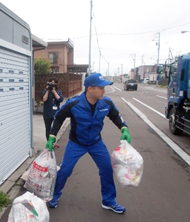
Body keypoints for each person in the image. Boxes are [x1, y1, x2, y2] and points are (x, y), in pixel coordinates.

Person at [45, 73, 131, 214]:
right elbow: (59, 117)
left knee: (107, 169)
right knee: (65, 170)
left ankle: (108, 201)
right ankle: (54, 195)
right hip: (76, 143)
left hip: (96, 143)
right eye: (101, 88)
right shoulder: (74, 103)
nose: (104, 91)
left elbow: (116, 116)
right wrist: (52, 136)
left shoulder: (106, 103)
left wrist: (124, 128)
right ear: (90, 89)